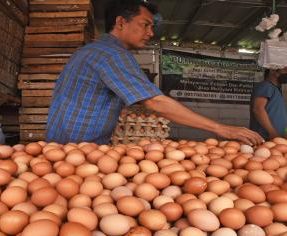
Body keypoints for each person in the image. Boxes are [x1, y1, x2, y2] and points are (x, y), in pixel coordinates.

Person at [46, 0, 263, 146]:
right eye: (145, 25)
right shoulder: (112, 54)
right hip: (75, 149)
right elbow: (155, 102)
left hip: (63, 144)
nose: (150, 33)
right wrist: (221, 128)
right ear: (121, 23)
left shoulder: (92, 50)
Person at [249, 68, 287, 140]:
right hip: (265, 138)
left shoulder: (274, 89)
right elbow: (258, 109)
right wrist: (272, 132)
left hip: (274, 139)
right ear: (272, 70)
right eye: (285, 69)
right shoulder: (265, 85)